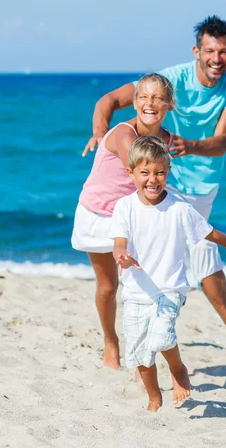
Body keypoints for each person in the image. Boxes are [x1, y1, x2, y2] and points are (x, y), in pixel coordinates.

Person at [82, 15, 226, 355]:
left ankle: (196, 330)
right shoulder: (169, 80)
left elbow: (222, 142)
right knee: (195, 247)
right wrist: (99, 132)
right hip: (164, 180)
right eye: (210, 50)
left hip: (204, 182)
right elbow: (107, 101)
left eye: (223, 52)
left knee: (198, 247)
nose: (216, 59)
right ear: (197, 50)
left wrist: (189, 145)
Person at [111, 136, 226, 411]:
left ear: (168, 172)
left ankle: (178, 370)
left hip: (170, 288)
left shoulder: (180, 209)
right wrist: (122, 255)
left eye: (160, 173)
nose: (152, 180)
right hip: (134, 290)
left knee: (162, 338)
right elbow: (119, 243)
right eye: (145, 173)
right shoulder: (125, 207)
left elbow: (210, 233)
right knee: (140, 353)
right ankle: (154, 395)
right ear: (131, 173)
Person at [72, 73, 175, 369]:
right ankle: (110, 340)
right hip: (98, 214)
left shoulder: (167, 140)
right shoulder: (123, 134)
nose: (150, 103)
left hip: (131, 218)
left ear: (169, 104)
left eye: (157, 98)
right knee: (107, 288)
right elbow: (143, 172)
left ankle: (141, 355)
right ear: (133, 102)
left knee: (141, 289)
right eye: (143, 97)